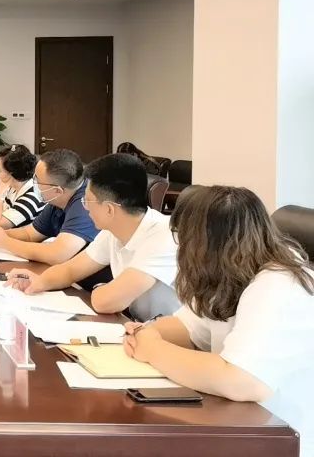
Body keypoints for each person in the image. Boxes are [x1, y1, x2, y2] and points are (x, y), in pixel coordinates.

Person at [123, 186, 314, 456]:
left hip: (284, 440)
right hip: (239, 427)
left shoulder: (280, 284)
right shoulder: (232, 272)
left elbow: (241, 380)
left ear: (206, 244)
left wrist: (153, 349)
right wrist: (145, 333)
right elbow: (189, 329)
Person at [6, 153, 180, 320]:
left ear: (109, 209)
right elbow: (70, 270)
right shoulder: (112, 231)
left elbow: (106, 303)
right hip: (139, 327)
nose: (85, 208)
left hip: (173, 335)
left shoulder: (163, 237)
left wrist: (100, 288)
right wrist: (39, 281)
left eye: (87, 201)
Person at [0, 149, 106, 286]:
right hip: (68, 279)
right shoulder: (57, 200)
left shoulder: (85, 203)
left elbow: (58, 254)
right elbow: (30, 234)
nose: (34, 183)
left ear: (57, 190)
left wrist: (5, 242)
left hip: (88, 287)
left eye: (37, 180)